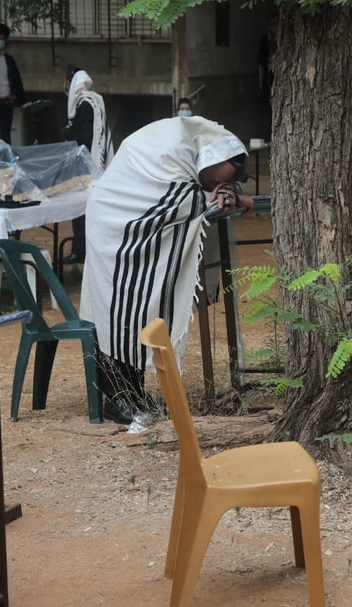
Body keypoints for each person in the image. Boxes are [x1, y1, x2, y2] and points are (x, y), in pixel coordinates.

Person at [80, 115, 251, 424]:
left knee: (138, 307)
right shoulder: (170, 150)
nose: (212, 185)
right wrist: (236, 198)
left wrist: (225, 190)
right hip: (114, 223)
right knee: (117, 308)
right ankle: (117, 398)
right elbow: (177, 200)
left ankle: (133, 392)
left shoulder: (190, 145)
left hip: (130, 226)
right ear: (209, 159)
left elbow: (200, 193)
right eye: (214, 180)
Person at [64, 66, 113, 263]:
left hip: (88, 166)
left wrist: (67, 132)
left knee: (82, 210)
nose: (65, 87)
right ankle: (83, 249)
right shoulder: (93, 100)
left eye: (67, 83)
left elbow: (84, 137)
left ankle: (81, 250)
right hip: (87, 165)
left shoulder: (85, 104)